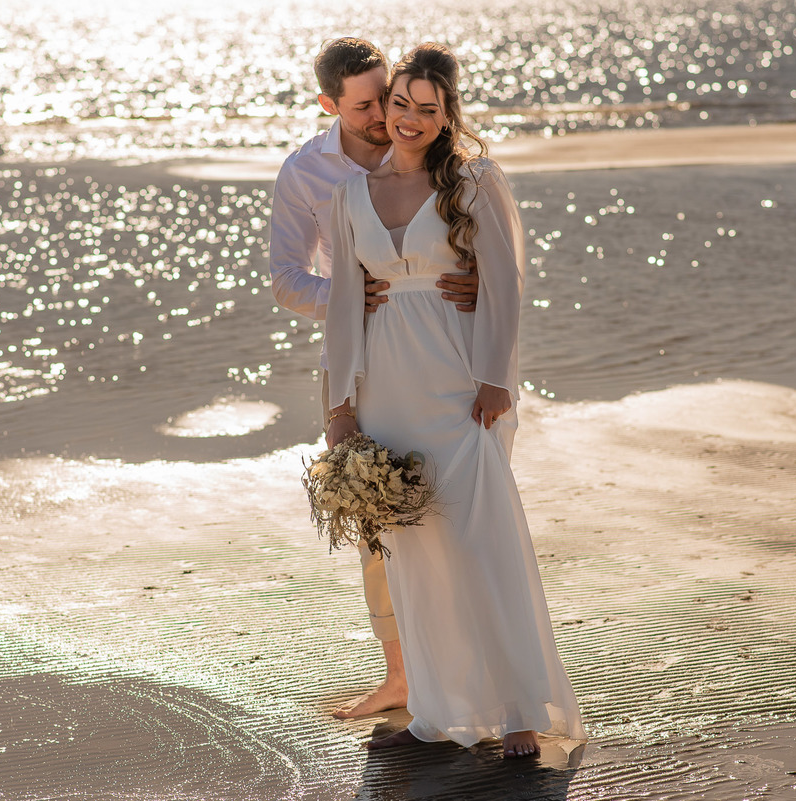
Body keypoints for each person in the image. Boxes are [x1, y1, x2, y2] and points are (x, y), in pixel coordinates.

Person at [324, 43, 586, 758]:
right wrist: (340, 408)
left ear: (446, 117)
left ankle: (518, 710)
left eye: (425, 108)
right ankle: (439, 704)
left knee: (478, 541)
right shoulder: (350, 195)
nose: (408, 118)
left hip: (457, 381)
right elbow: (344, 306)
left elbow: (505, 281)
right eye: (398, 104)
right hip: (386, 388)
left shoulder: (473, 181)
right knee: (415, 550)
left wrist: (495, 376)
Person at [269, 37, 480, 719]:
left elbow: (479, 237)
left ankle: (468, 668)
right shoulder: (305, 172)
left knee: (453, 502)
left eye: (384, 97)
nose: (382, 116)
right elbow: (285, 278)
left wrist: (475, 283)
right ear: (328, 104)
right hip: (354, 358)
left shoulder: (426, 148)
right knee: (376, 511)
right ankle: (401, 677)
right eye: (363, 106)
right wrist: (345, 297)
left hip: (437, 354)